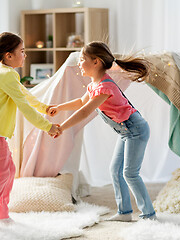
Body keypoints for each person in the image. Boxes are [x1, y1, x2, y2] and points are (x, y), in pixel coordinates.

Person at [48, 41, 156, 221]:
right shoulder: (94, 84)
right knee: (115, 170)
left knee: (130, 173)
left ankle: (149, 214)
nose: (79, 64)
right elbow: (81, 103)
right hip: (125, 132)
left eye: (82, 59)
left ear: (96, 62)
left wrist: (61, 127)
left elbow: (84, 112)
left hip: (135, 129)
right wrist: (59, 107)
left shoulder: (105, 87)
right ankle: (124, 213)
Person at [0, 32, 61, 235]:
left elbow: (25, 95)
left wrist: (45, 108)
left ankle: (1, 213)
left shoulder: (8, 74)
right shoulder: (6, 75)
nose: (25, 55)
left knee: (8, 174)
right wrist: (47, 126)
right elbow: (24, 107)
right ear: (9, 55)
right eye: (22, 51)